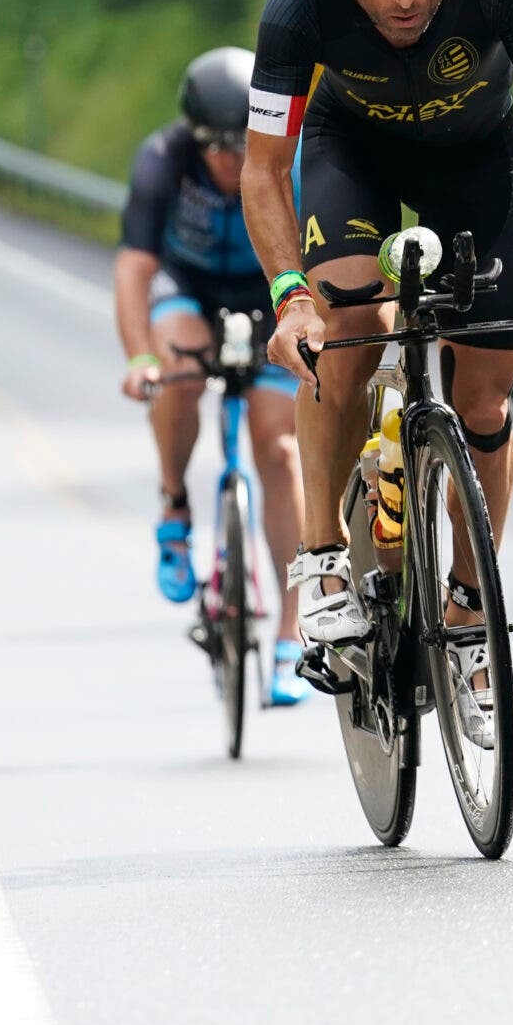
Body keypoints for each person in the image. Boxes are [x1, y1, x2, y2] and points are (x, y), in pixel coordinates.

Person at [245, 0, 513, 748]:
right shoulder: (299, 4)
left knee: (485, 397)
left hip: (475, 164)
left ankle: (471, 616)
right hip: (349, 154)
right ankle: (322, 560)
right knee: (348, 324)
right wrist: (291, 296)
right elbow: (263, 167)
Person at [116, 47, 312, 706]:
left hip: (270, 297)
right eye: (219, 152)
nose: (234, 164)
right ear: (195, 141)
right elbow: (135, 268)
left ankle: (291, 634)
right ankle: (174, 504)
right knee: (176, 372)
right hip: (191, 289)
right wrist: (140, 356)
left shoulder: (291, 156)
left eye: (243, 147)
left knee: (278, 447)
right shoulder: (163, 159)